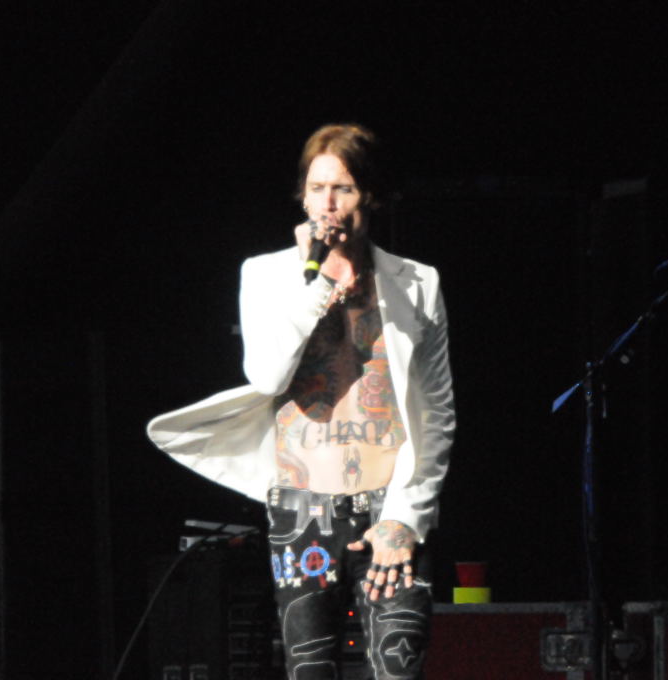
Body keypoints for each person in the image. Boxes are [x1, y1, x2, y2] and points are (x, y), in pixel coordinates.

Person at [147, 123, 455, 679]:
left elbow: (436, 412)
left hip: (388, 507)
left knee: (398, 666)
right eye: (317, 189)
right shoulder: (266, 276)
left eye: (344, 189)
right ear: (302, 198)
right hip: (300, 510)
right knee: (309, 670)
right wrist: (318, 283)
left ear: (370, 197)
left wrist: (406, 519)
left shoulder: (418, 282)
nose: (328, 204)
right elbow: (267, 375)